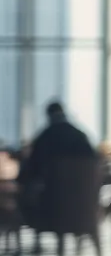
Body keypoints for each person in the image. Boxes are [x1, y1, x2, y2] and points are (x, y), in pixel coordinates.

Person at [17, 101, 97, 238]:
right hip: (84, 208)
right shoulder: (81, 136)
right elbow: (95, 166)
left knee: (23, 196)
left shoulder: (44, 137)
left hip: (53, 207)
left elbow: (28, 172)